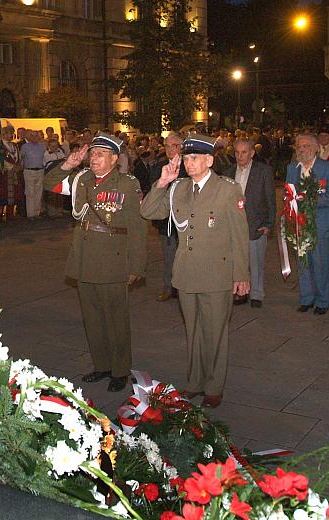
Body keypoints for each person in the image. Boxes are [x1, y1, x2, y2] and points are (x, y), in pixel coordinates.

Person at [141, 135, 249, 408]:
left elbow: (239, 235)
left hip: (217, 273)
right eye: (186, 158)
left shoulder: (228, 189)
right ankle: (194, 381)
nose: (189, 163)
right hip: (186, 273)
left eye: (195, 158)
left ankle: (214, 385)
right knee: (193, 331)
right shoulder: (178, 188)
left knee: (215, 332)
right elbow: (149, 212)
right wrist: (163, 182)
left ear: (209, 161)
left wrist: (241, 275)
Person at [43, 133, 147, 392]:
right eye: (93, 153)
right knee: (92, 317)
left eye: (101, 154)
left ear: (114, 158)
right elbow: (49, 184)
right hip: (85, 256)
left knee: (116, 318)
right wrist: (68, 164)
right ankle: (102, 365)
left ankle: (120, 370)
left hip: (114, 258)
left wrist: (136, 266)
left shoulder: (126, 184)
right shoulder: (82, 180)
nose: (94, 157)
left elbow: (138, 226)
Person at [287, 133, 329, 315]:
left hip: (320, 225)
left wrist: (310, 200)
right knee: (303, 264)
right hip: (299, 225)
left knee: (321, 264)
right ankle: (306, 298)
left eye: (306, 146)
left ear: (316, 147)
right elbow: (288, 193)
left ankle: (323, 301)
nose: (302, 150)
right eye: (299, 146)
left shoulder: (328, 168)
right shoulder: (292, 168)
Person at [223, 138, 275, 308]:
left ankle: (256, 293)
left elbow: (270, 199)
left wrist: (269, 224)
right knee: (236, 260)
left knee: (256, 260)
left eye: (244, 152)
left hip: (256, 223)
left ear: (252, 153)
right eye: (237, 152)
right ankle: (239, 292)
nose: (240, 156)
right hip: (233, 226)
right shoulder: (228, 172)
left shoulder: (263, 171)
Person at [148, 132, 184, 302]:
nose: (169, 149)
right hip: (166, 220)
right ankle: (168, 287)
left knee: (185, 256)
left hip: (185, 219)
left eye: (174, 146)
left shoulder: (189, 166)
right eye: (167, 146)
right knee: (169, 255)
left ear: (181, 147)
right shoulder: (159, 166)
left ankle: (184, 288)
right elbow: (153, 190)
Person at [21, 130, 46, 219]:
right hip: (29, 171)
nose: (35, 138)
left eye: (36, 136)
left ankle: (37, 213)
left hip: (40, 170)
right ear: (30, 137)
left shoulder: (42, 146)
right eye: (32, 136)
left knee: (39, 192)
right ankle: (30, 214)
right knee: (30, 192)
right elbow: (21, 158)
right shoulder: (25, 147)